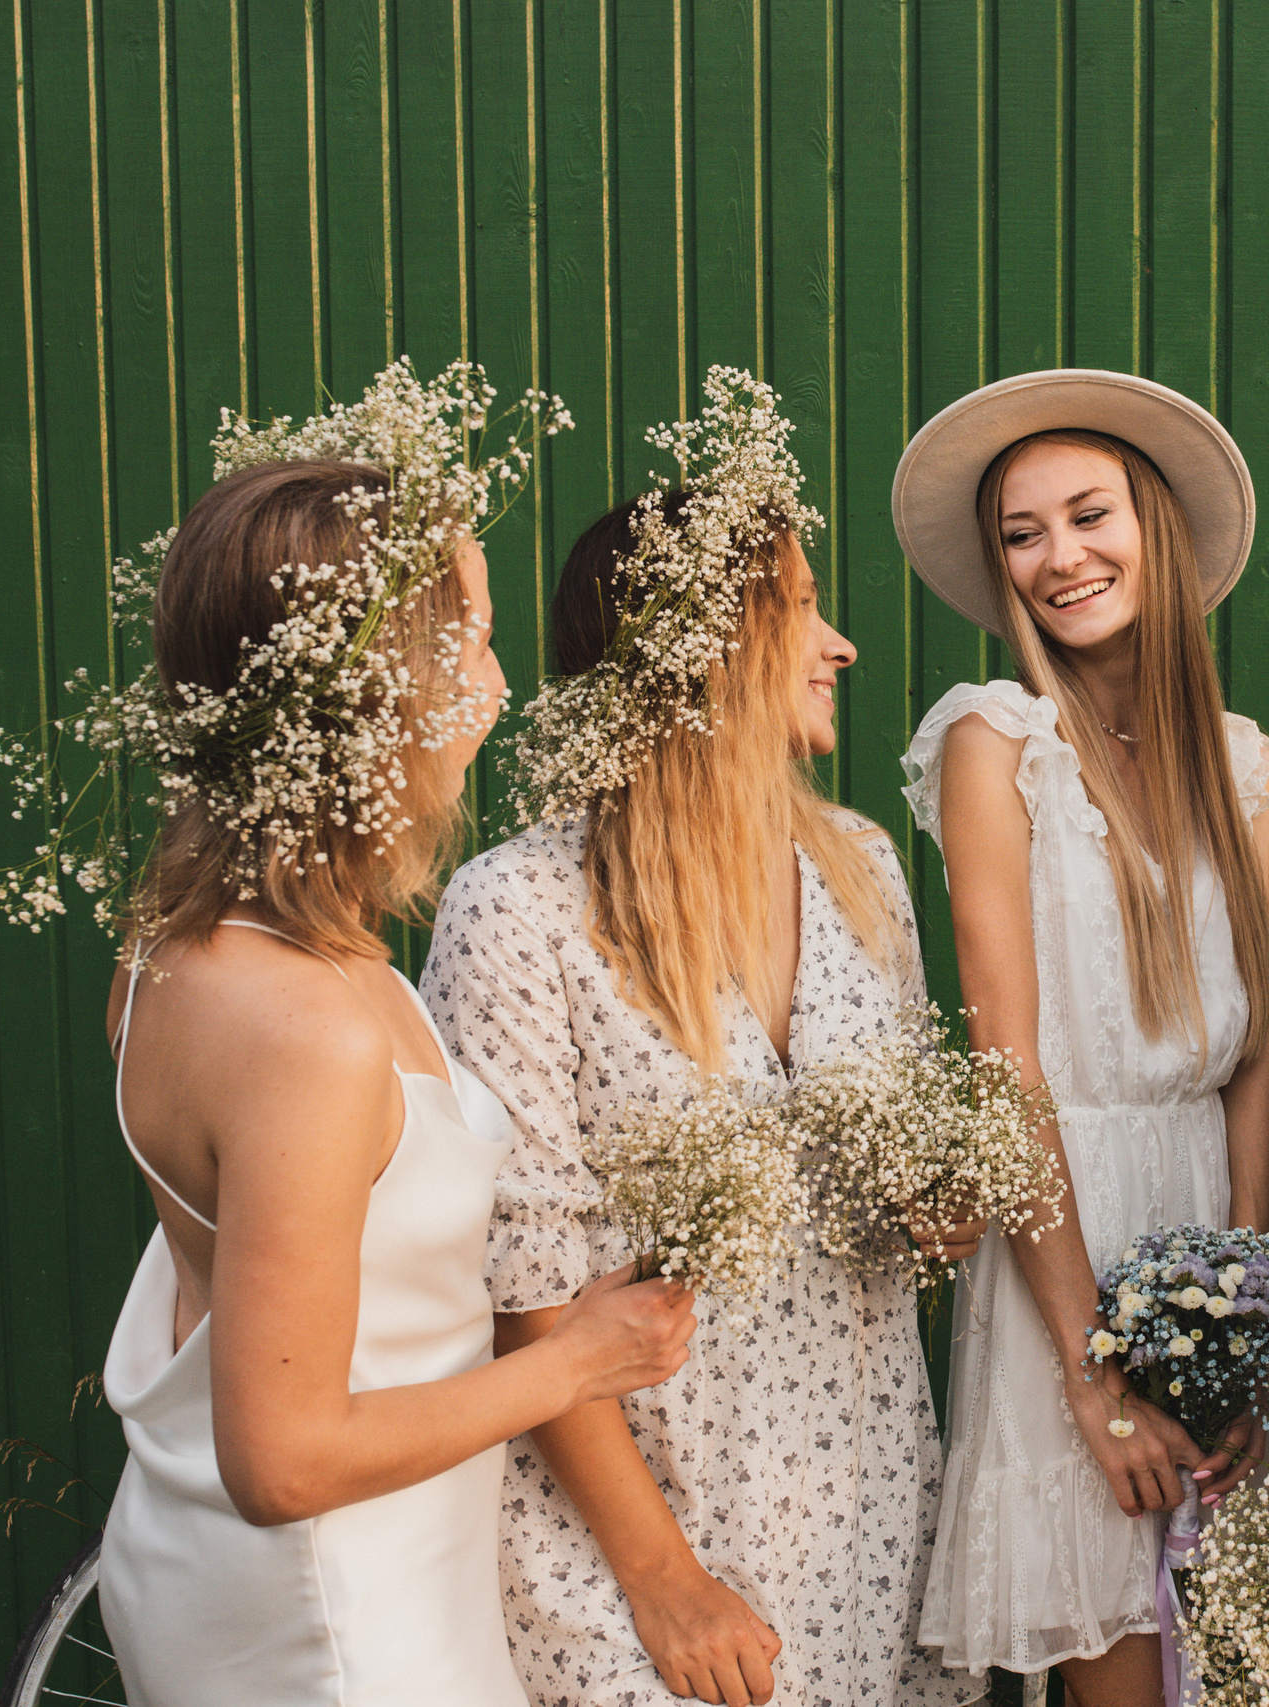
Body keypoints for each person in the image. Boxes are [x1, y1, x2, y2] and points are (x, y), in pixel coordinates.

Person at [62, 367, 697, 1707]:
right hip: (338, 1619)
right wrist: (576, 1360)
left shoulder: (183, 943)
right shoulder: (301, 1026)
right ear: (372, 691)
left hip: (274, 1568)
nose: (501, 686)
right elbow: (283, 1458)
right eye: (471, 642)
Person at [421, 370, 983, 1707]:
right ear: (703, 652)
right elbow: (522, 1288)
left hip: (860, 1507)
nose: (841, 644)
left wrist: (936, 1210)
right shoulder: (519, 909)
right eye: (802, 609)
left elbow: (897, 1173)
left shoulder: (860, 868)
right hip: (633, 1540)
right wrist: (664, 1578)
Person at [893, 370, 1269, 1707]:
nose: (1060, 556)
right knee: (1117, 1659)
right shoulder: (994, 742)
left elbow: (1250, 1057)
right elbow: (1006, 1064)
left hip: (1200, 1246)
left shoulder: (1239, 761)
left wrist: (1243, 1317)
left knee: (1226, 1661)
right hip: (1065, 1249)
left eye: (1088, 514)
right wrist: (1091, 1371)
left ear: (1152, 525)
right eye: (1022, 532)